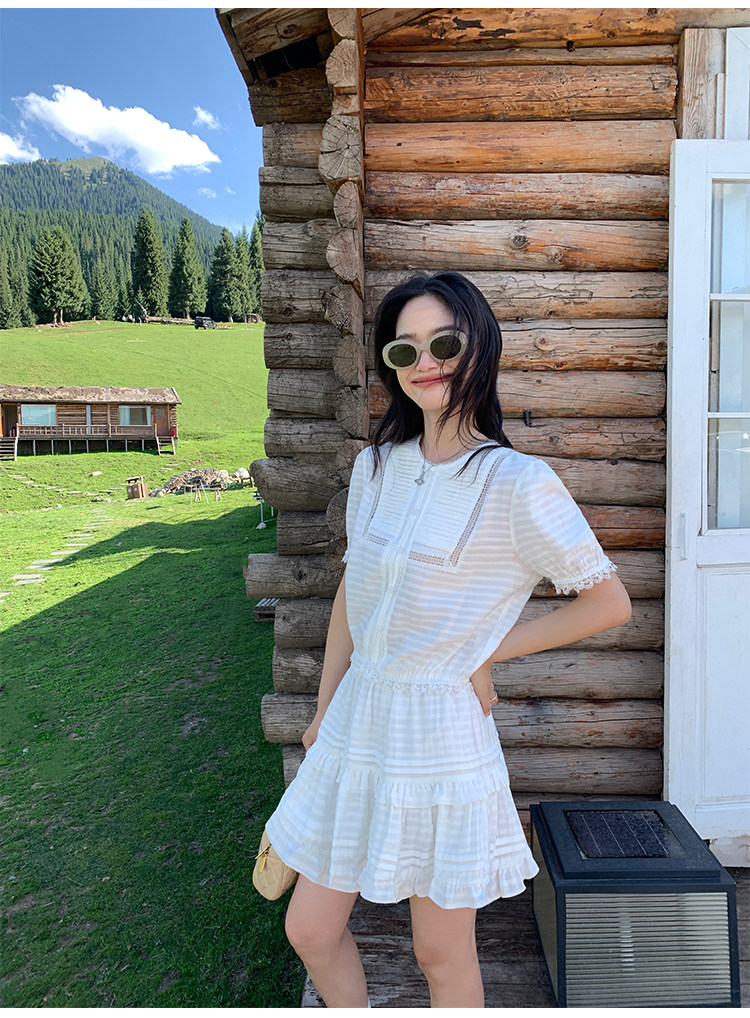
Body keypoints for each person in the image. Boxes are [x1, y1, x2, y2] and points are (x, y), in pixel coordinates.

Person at [264, 271, 632, 1008]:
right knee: (309, 927)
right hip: (357, 720)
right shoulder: (375, 467)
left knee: (439, 951)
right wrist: (324, 707)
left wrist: (484, 654)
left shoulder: (517, 483)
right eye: (404, 350)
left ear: (478, 346)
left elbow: (607, 603)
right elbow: (352, 598)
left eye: (444, 343)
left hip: (441, 735)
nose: (424, 363)